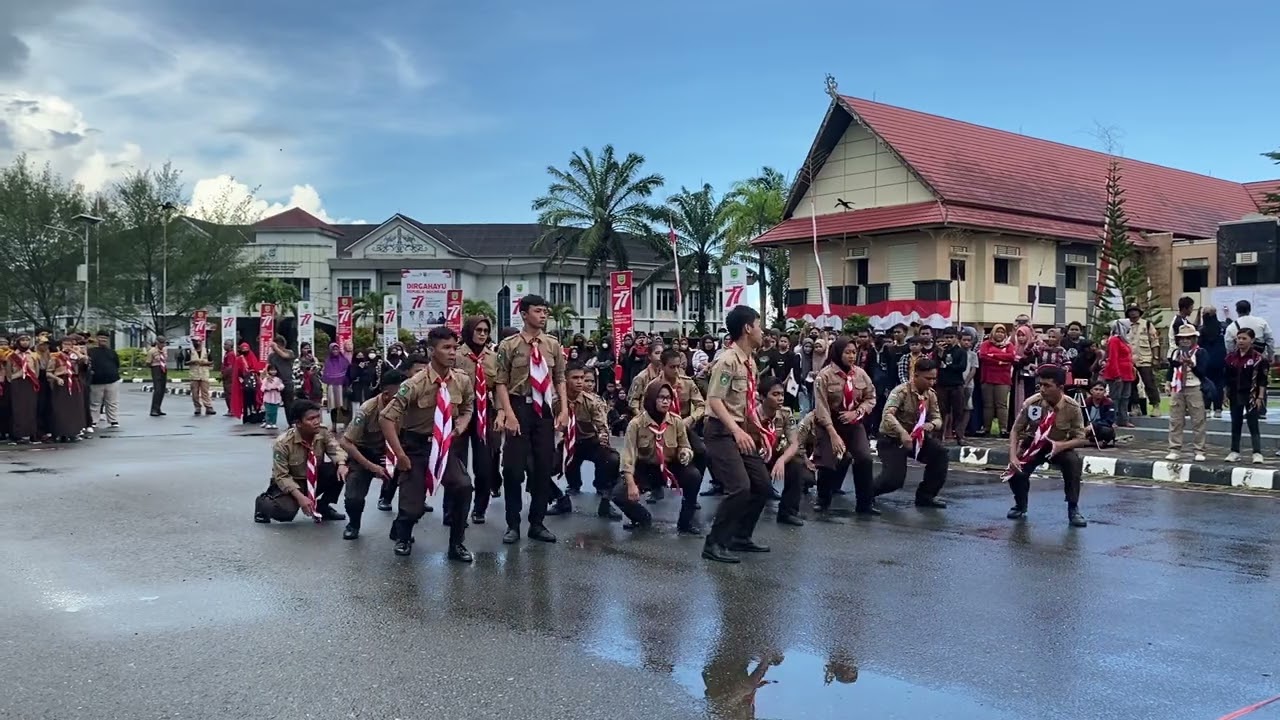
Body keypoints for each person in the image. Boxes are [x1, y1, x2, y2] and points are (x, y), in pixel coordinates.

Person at [380, 328, 475, 561]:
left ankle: (457, 544)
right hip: (416, 447)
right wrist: (400, 455)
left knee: (463, 486)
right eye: (446, 348)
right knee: (413, 506)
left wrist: (461, 425)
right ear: (432, 351)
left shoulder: (461, 380)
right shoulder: (414, 384)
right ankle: (403, 534)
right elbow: (386, 417)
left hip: (443, 446)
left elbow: (468, 407)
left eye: (454, 347)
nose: (453, 353)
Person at [494, 295, 568, 546]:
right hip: (519, 406)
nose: (543, 315)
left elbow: (560, 379)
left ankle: (537, 523)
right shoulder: (509, 345)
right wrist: (509, 414)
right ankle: (512, 524)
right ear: (524, 314)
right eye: (538, 311)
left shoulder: (553, 345)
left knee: (542, 468)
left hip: (544, 410)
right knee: (513, 470)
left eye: (545, 311)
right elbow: (500, 382)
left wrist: (564, 410)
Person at [701, 304, 771, 564]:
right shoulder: (727, 360)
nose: (762, 331)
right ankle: (714, 543)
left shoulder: (749, 361)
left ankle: (741, 537)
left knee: (762, 485)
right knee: (739, 487)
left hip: (741, 429)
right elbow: (715, 400)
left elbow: (748, 402)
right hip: (721, 431)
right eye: (759, 325)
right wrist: (737, 431)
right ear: (747, 328)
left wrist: (758, 430)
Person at [1004, 365, 1089, 527]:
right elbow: (1015, 430)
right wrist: (1013, 456)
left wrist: (1061, 445)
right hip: (1034, 444)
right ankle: (1020, 505)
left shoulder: (1072, 407)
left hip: (1059, 445)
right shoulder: (1032, 403)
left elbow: (1081, 438)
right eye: (1040, 385)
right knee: (1016, 471)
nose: (1042, 389)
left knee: (1073, 463)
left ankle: (1073, 508)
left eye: (1047, 386)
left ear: (1060, 387)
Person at [615, 381, 702, 533]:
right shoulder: (636, 424)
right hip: (646, 468)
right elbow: (628, 456)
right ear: (651, 399)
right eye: (661, 397)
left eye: (668, 398)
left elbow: (685, 445)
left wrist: (684, 454)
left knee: (693, 475)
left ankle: (685, 522)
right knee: (619, 494)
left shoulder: (676, 421)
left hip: (670, 467)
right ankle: (642, 518)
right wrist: (631, 483)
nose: (665, 401)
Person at [548, 362, 623, 520]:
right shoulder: (556, 402)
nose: (580, 381)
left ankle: (605, 501)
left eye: (582, 378)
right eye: (575, 378)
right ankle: (560, 498)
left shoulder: (592, 402)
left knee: (612, 459)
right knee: (539, 465)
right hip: (568, 444)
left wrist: (603, 435)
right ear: (565, 381)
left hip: (590, 442)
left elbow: (602, 426)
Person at [254, 400, 349, 523]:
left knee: (343, 468)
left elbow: (335, 449)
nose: (317, 422)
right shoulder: (282, 443)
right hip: (292, 482)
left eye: (318, 417)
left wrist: (341, 464)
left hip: (313, 477)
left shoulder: (322, 432)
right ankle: (262, 505)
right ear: (298, 423)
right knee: (286, 513)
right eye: (311, 419)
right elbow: (282, 476)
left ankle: (323, 506)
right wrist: (300, 498)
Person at [811, 336, 877, 514]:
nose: (851, 356)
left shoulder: (860, 374)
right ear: (838, 353)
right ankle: (823, 499)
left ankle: (865, 503)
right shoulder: (824, 376)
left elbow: (871, 397)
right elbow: (821, 407)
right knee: (828, 461)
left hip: (853, 422)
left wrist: (856, 412)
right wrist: (832, 433)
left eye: (854, 352)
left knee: (864, 458)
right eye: (847, 352)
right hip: (829, 424)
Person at [872, 358, 949, 509]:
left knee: (940, 455)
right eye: (928, 378)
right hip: (892, 439)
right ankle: (867, 493)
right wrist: (902, 432)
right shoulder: (900, 391)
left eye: (934, 378)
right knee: (894, 480)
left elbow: (938, 418)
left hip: (916, 437)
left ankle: (926, 496)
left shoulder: (930, 395)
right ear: (916, 375)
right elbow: (888, 415)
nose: (932, 382)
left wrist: (931, 424)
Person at [337, 370, 405, 539]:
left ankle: (402, 529)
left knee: (412, 492)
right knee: (353, 497)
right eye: (400, 394)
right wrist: (371, 466)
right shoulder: (367, 409)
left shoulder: (408, 406)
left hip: (395, 452)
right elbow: (345, 442)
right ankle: (353, 524)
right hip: (365, 454)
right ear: (387, 394)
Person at [454, 315, 502, 524]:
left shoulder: (492, 357)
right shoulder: (456, 356)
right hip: (460, 413)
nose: (482, 334)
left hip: (485, 412)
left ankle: (480, 508)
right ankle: (454, 510)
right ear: (469, 331)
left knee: (484, 465)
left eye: (485, 331)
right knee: (457, 463)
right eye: (478, 330)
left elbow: (500, 386)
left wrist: (501, 412)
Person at [756, 376, 811, 526]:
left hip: (775, 453)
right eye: (775, 394)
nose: (780, 398)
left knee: (796, 464)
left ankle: (788, 512)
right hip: (755, 457)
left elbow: (794, 443)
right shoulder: (752, 414)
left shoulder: (785, 413)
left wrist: (781, 460)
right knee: (760, 485)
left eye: (781, 394)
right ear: (762, 397)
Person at [1165, 324, 1209, 462]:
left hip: (1194, 387)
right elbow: (1171, 370)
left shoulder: (1200, 352)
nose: (1184, 341)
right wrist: (1167, 382)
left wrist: (1192, 365)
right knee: (1175, 420)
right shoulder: (1175, 353)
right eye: (1182, 338)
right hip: (1177, 388)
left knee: (1198, 420)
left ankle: (1199, 450)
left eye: (1188, 338)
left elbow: (1203, 372)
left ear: (1194, 339)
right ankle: (1174, 449)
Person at [1223, 327, 1268, 463]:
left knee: (1253, 423)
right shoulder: (1230, 357)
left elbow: (1262, 380)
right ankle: (1234, 451)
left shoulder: (1258, 358)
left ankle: (1257, 452)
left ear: (1252, 340)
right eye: (1239, 338)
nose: (1240, 341)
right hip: (1235, 394)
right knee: (1235, 423)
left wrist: (1260, 397)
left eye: (1244, 338)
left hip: (1251, 395)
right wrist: (1224, 394)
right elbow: (1226, 378)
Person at [1126, 304, 1162, 417]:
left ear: (1140, 312)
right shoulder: (1125, 325)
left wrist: (1155, 358)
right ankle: (1135, 407)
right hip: (1129, 360)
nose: (1133, 313)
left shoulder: (1147, 324)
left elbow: (1155, 342)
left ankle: (1156, 406)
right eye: (1131, 311)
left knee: (1149, 382)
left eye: (1135, 310)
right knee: (1131, 384)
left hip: (1145, 358)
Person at [935, 328, 969, 444]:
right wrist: (939, 354)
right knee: (941, 411)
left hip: (956, 384)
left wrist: (948, 367)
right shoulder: (940, 351)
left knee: (958, 411)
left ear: (956, 338)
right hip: (942, 384)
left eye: (951, 337)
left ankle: (960, 436)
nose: (948, 340)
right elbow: (935, 365)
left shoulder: (961, 352)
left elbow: (962, 367)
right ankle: (938, 436)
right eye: (946, 337)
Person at [47, 338, 85, 442]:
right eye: (65, 344)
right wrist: (57, 378)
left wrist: (75, 351)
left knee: (75, 408)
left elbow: (85, 360)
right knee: (61, 409)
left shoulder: (76, 357)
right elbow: (49, 372)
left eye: (70, 344)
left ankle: (74, 432)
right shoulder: (55, 357)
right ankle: (61, 432)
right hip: (62, 382)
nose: (67, 346)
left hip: (74, 381)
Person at [1101, 319, 1135, 428]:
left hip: (1127, 374)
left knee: (1125, 397)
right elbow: (1113, 358)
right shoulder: (1114, 340)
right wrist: (1117, 375)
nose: (1129, 329)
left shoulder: (1124, 340)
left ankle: (1123, 419)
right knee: (1115, 398)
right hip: (1117, 374)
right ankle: (1113, 419)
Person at [88, 331, 121, 429]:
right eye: (101, 338)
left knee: (112, 402)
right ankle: (94, 421)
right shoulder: (91, 351)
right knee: (95, 402)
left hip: (112, 380)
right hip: (96, 381)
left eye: (105, 338)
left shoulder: (111, 352)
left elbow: (117, 364)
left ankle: (113, 420)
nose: (103, 340)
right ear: (97, 338)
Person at [266, 335, 296, 423]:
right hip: (275, 382)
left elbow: (284, 356)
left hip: (287, 381)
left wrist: (276, 347)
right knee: (271, 403)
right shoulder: (271, 356)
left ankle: (291, 423)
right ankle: (270, 421)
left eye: (276, 344)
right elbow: (268, 367)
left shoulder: (289, 352)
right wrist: (267, 375)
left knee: (289, 404)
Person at [1082, 381, 1116, 448]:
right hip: (1086, 429)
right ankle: (1094, 442)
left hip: (1100, 428)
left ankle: (1088, 441)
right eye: (1096, 389)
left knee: (1107, 431)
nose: (1098, 392)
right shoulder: (1085, 402)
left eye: (1101, 390)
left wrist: (1093, 426)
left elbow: (1109, 421)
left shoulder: (1109, 403)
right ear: (1091, 391)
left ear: (1104, 392)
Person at [188, 338, 216, 416]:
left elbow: (212, 362)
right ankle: (197, 407)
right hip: (194, 375)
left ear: (201, 342)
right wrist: (192, 362)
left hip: (204, 374)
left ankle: (208, 407)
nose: (196, 343)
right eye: (194, 342)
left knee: (205, 392)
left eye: (198, 341)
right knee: (195, 393)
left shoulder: (207, 351)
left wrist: (205, 363)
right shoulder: (190, 352)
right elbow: (186, 362)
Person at [148, 336, 169, 417]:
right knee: (157, 389)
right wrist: (154, 367)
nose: (162, 345)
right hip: (156, 368)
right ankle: (153, 409)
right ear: (157, 343)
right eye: (161, 343)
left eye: (163, 343)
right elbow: (148, 362)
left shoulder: (165, 350)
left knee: (162, 389)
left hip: (163, 369)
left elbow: (165, 359)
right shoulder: (152, 351)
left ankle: (158, 408)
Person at [261, 366, 286, 430]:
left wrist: (278, 388)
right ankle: (268, 423)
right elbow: (262, 387)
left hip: (276, 397)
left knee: (274, 411)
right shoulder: (266, 379)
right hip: (268, 397)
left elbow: (282, 386)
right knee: (268, 411)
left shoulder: (278, 379)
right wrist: (268, 389)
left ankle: (274, 423)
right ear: (268, 371)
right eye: (271, 370)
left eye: (274, 370)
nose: (273, 372)